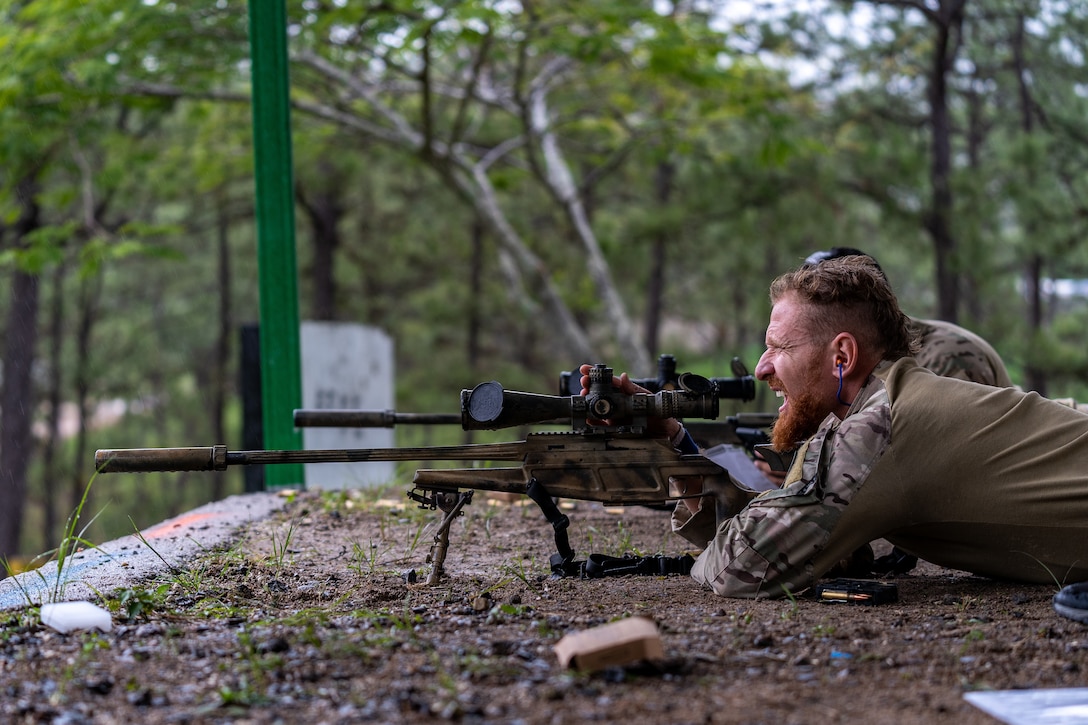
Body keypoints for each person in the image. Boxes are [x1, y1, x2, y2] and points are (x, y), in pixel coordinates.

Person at [585, 256, 1088, 599]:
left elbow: (744, 566)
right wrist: (674, 442)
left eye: (779, 348)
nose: (762, 369)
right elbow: (785, 535)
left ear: (841, 356)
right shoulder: (867, 410)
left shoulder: (878, 425)